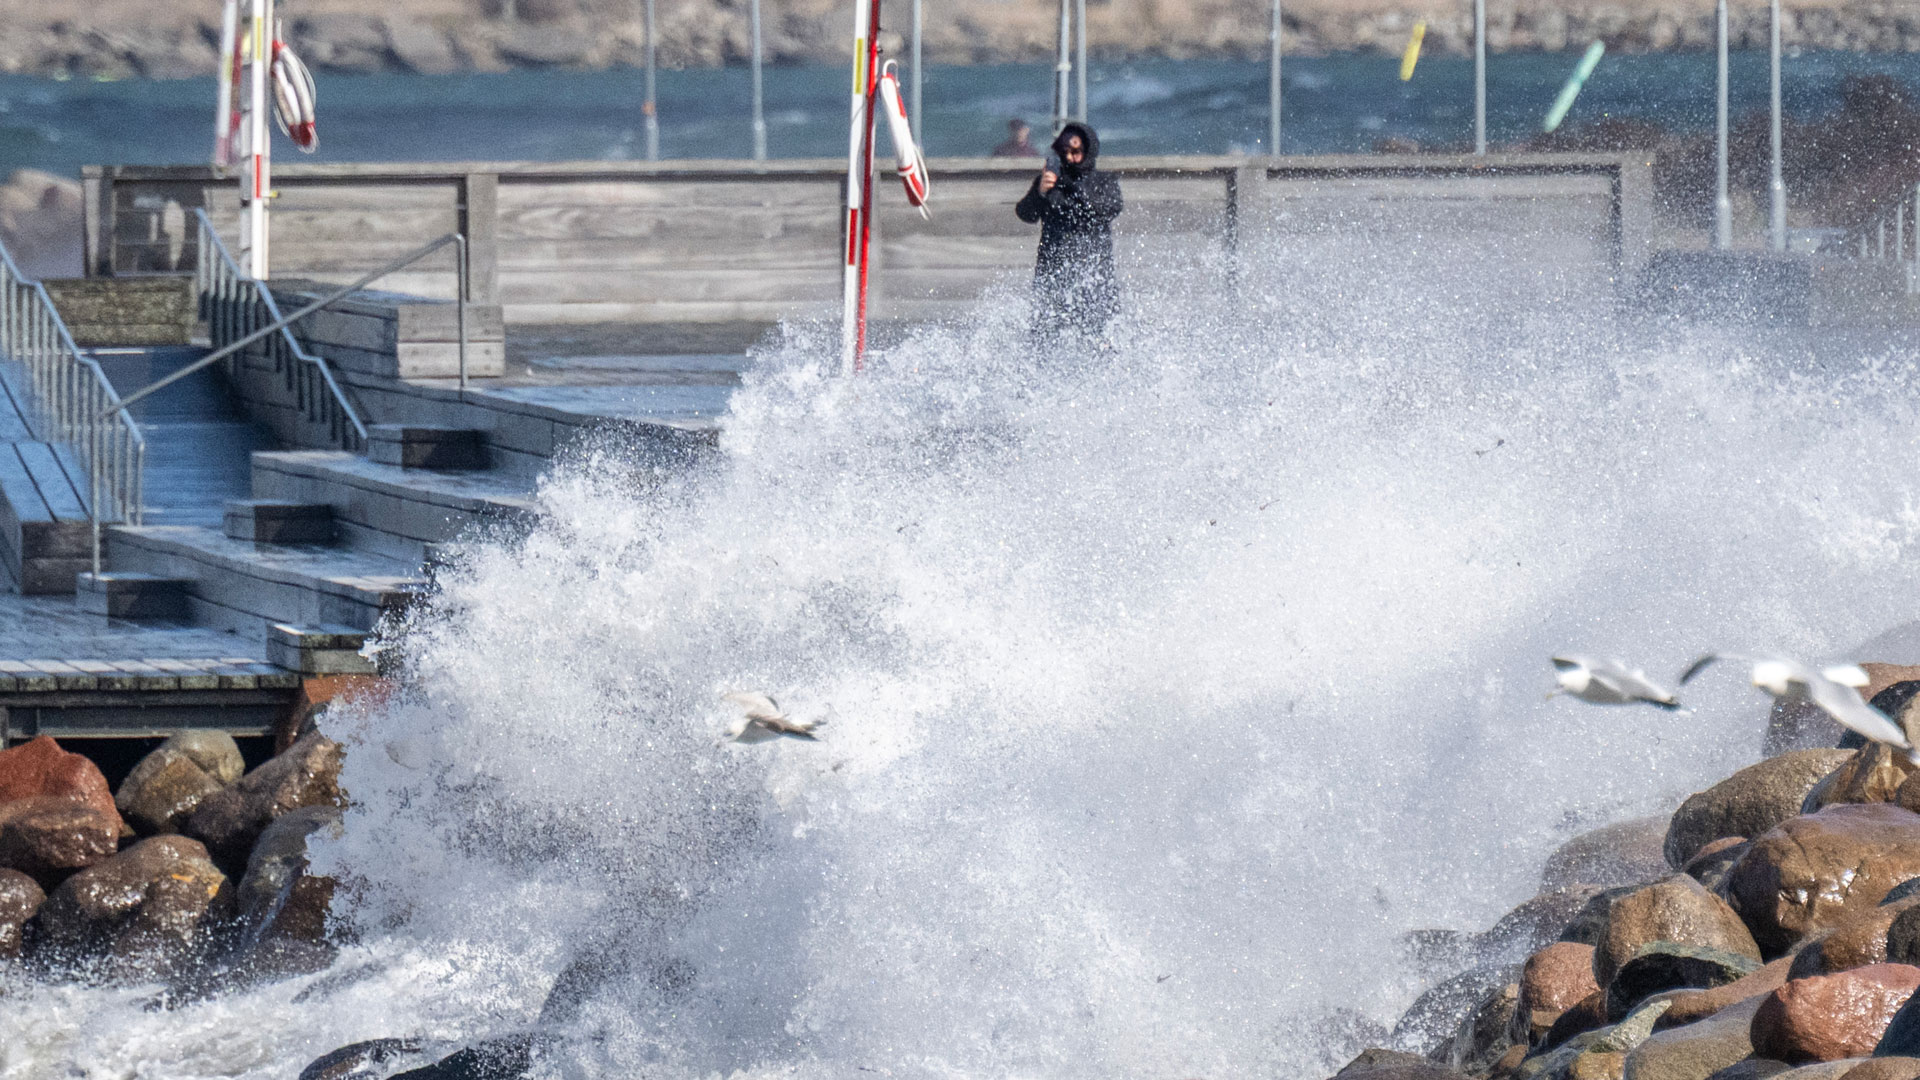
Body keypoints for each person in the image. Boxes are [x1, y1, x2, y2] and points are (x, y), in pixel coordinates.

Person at [1014, 122, 1123, 340]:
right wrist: (1040, 192)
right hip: (1052, 274)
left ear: (1088, 150)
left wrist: (1068, 184)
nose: (1070, 158)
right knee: (1043, 339)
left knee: (1098, 340)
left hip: (1093, 278)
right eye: (1065, 152)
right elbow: (1025, 213)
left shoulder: (1104, 182)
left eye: (1076, 152)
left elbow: (1103, 208)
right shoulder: (1049, 181)